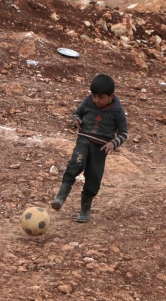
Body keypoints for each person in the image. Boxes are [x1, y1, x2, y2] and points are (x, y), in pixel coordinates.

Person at [51, 74, 128, 223]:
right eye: (93, 96)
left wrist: (113, 143)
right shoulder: (88, 102)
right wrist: (76, 120)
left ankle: (85, 208)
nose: (95, 100)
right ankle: (60, 197)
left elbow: (124, 133)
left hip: (101, 148)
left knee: (94, 178)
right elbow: (77, 113)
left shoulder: (117, 111)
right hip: (84, 140)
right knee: (76, 163)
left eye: (100, 97)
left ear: (111, 96)